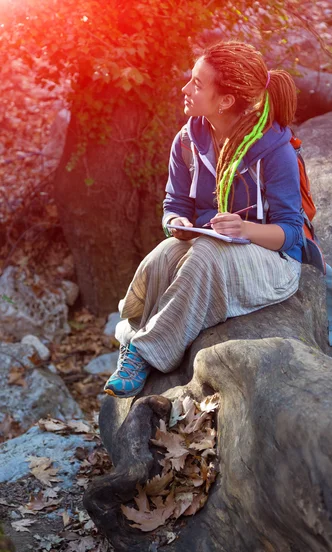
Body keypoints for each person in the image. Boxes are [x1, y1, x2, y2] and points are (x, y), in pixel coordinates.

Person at [104, 40, 304, 398]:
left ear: (226, 100)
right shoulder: (186, 142)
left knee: (207, 252)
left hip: (273, 263)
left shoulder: (275, 151)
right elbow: (174, 202)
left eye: (197, 83)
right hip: (207, 246)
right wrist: (176, 221)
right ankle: (132, 336)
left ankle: (146, 352)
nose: (185, 88)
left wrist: (244, 228)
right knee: (164, 253)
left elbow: (290, 234)